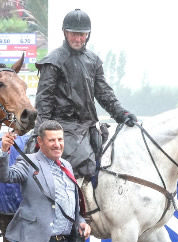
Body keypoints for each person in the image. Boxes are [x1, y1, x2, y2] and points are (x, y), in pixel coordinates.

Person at [33, 8, 137, 181]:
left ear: (88, 35)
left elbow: (104, 93)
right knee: (84, 164)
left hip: (88, 126)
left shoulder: (94, 61)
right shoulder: (52, 61)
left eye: (82, 34)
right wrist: (42, 134)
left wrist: (122, 114)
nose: (78, 39)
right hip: (60, 127)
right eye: (74, 34)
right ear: (65, 33)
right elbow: (43, 100)